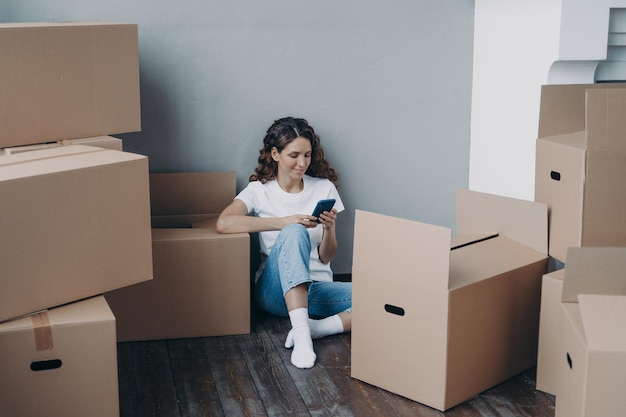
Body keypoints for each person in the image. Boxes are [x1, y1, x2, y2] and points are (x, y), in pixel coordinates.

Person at [217, 117, 351, 369]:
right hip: (275, 293)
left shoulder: (324, 188)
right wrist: (283, 222)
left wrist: (330, 229)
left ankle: (316, 329)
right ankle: (301, 335)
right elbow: (224, 223)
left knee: (382, 300)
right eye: (294, 155)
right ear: (275, 154)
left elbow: (326, 258)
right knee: (293, 231)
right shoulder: (260, 190)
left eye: (308, 155)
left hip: (318, 289)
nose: (302, 163)